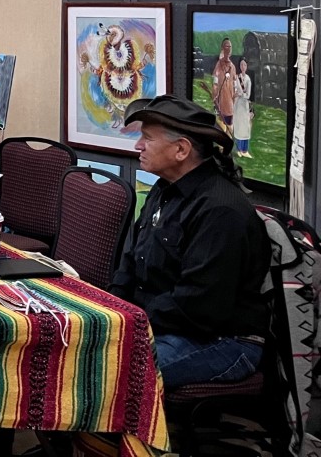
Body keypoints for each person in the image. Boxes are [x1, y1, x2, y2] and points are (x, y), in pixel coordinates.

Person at [109, 94, 270, 389]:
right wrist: (112, 310)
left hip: (222, 341)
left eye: (147, 138)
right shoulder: (163, 189)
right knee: (85, 353)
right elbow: (131, 260)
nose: (137, 146)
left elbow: (198, 305)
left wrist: (131, 322)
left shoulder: (220, 210)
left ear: (181, 149)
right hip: (164, 325)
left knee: (113, 375)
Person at [210, 37, 236, 130]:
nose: (228, 49)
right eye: (226, 46)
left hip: (230, 106)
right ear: (222, 48)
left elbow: (235, 85)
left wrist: (235, 100)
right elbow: (215, 84)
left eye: (230, 46)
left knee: (230, 131)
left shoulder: (232, 67)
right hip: (221, 104)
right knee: (221, 130)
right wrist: (214, 97)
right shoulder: (219, 65)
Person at [233, 60, 253, 158]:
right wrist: (237, 93)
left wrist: (240, 94)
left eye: (244, 64)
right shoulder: (237, 77)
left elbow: (247, 95)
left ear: (247, 66)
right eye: (241, 64)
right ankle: (238, 149)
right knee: (238, 126)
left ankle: (245, 150)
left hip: (244, 105)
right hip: (237, 105)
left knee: (245, 127)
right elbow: (234, 89)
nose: (243, 66)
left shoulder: (248, 79)